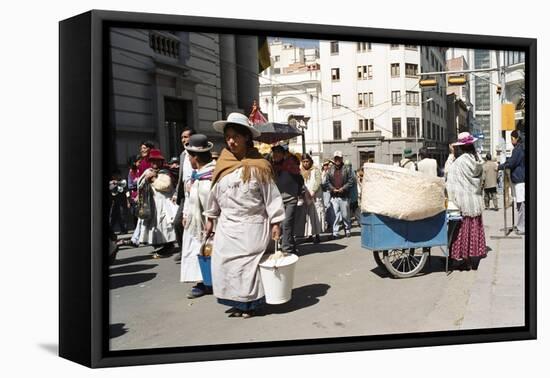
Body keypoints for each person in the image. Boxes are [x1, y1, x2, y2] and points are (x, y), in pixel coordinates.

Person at [204, 112, 285, 318]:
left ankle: (251, 304)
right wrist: (210, 217)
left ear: (246, 137)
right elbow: (214, 194)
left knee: (248, 265)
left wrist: (276, 221)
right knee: (226, 264)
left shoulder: (259, 166)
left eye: (236, 136)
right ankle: (236, 302)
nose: (231, 141)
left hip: (253, 224)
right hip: (227, 226)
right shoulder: (222, 164)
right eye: (228, 137)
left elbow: (271, 196)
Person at [180, 134, 216, 299]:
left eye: (189, 157)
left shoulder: (209, 176)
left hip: (206, 225)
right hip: (195, 223)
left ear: (196, 157)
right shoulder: (199, 174)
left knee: (206, 252)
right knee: (198, 252)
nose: (189, 160)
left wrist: (210, 223)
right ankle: (204, 281)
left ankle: (207, 282)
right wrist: (186, 213)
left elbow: (211, 205)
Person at [446, 132, 486, 270]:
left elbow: (448, 176)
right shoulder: (476, 160)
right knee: (472, 232)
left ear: (461, 147)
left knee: (463, 233)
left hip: (464, 204)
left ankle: (465, 260)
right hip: (475, 203)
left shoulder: (460, 161)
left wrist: (451, 155)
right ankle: (471, 259)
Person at [137, 148, 178, 258]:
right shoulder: (147, 171)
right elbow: (139, 184)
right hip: (151, 203)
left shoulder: (165, 172)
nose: (155, 163)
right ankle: (161, 243)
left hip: (164, 203)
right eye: (153, 161)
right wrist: (146, 179)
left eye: (157, 160)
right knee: (155, 225)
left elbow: (165, 186)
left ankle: (168, 245)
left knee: (165, 225)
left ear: (161, 161)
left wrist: (154, 179)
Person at [271, 144, 303, 253]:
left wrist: (299, 193)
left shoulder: (290, 165)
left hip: (291, 199)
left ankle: (286, 249)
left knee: (287, 223)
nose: (275, 155)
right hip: (277, 200)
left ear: (283, 154)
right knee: (280, 224)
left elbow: (300, 180)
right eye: (274, 153)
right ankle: (291, 244)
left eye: (278, 153)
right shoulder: (271, 167)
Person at [173, 128, 195, 261]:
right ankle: (182, 249)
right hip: (184, 196)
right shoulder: (182, 155)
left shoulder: (200, 152)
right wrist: (177, 192)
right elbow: (181, 176)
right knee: (177, 223)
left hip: (197, 192)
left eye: (186, 137)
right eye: (182, 137)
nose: (184, 140)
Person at [498, 130, 525, 235]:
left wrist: (500, 166)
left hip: (519, 180)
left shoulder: (518, 149)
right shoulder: (520, 148)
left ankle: (522, 227)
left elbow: (512, 163)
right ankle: (520, 225)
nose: (511, 140)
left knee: (521, 204)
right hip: (519, 179)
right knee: (520, 204)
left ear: (516, 138)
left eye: (512, 138)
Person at [326, 151, 354, 239]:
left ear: (342, 159)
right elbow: (328, 182)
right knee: (335, 215)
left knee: (345, 214)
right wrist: (332, 188)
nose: (337, 160)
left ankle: (347, 229)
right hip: (334, 195)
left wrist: (343, 188)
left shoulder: (347, 169)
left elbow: (351, 181)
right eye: (336, 158)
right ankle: (335, 232)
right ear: (334, 159)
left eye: (339, 158)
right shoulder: (330, 169)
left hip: (344, 195)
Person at [300, 154, 323, 244]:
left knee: (316, 216)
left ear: (310, 161)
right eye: (304, 162)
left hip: (315, 196)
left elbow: (318, 181)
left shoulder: (315, 170)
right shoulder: (300, 171)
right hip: (305, 196)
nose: (305, 163)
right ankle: (309, 235)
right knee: (307, 217)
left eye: (307, 161)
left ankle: (317, 235)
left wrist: (313, 191)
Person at [321, 159, 334, 233]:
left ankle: (330, 224)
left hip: (327, 191)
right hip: (322, 192)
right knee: (325, 207)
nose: (326, 166)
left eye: (327, 165)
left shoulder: (329, 173)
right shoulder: (322, 172)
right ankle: (327, 223)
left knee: (327, 206)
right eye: (325, 165)